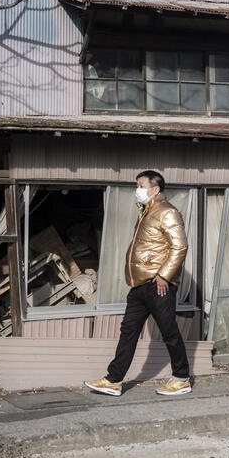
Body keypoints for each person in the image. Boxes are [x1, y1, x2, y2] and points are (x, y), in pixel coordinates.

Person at [85, 170, 191, 396]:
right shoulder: (146, 211)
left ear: (155, 189)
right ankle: (114, 380)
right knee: (128, 332)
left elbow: (179, 246)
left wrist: (164, 275)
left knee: (169, 331)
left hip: (157, 284)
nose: (138, 190)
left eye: (141, 185)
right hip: (139, 285)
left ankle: (181, 378)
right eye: (137, 186)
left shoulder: (167, 212)